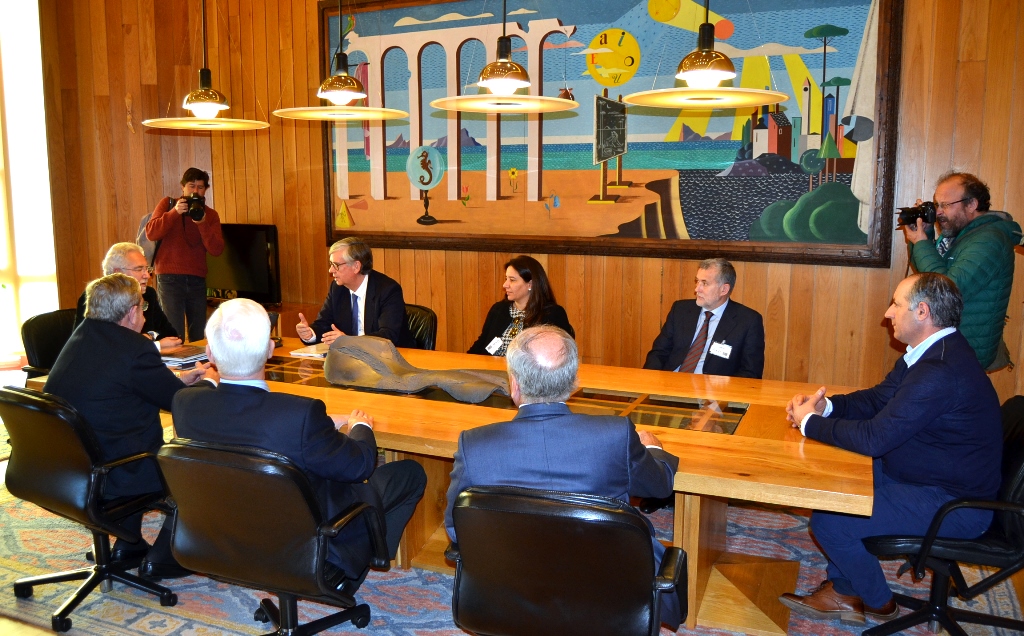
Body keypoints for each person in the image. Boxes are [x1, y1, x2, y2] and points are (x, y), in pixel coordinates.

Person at [779, 273, 1002, 625]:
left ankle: (878, 602)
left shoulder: (940, 371)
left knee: (830, 521)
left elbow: (874, 439)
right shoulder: (932, 353)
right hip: (923, 474)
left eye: (896, 304)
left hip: (954, 504)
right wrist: (827, 408)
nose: (887, 313)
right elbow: (879, 398)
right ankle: (843, 589)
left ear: (922, 311)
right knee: (836, 489)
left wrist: (809, 424)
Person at [176, 298, 426, 591]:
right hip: (308, 547)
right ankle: (349, 573)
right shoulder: (299, 414)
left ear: (209, 353)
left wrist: (322, 425)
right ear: (270, 350)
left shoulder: (186, 404)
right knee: (409, 473)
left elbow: (244, 419)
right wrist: (360, 425)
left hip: (227, 538)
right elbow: (359, 465)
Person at [445, 325, 682, 630]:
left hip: (513, 593)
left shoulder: (475, 446)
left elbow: (457, 530)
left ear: (514, 385)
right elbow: (660, 485)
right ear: (573, 383)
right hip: (608, 594)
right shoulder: (615, 435)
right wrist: (653, 450)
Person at [44, 274, 217, 579]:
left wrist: (177, 381)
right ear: (130, 313)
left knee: (128, 434)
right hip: (116, 470)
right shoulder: (134, 348)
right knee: (198, 463)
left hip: (68, 467)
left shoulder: (82, 336)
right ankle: (165, 557)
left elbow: (121, 385)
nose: (145, 312)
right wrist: (212, 383)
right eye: (142, 305)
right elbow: (180, 403)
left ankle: (128, 545)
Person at [903, 171, 1020, 370]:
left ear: (972, 204)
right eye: (937, 205)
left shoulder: (988, 240)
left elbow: (947, 289)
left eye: (946, 205)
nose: (939, 212)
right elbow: (932, 271)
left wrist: (922, 244)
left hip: (967, 350)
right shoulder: (965, 236)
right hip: (954, 344)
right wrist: (926, 235)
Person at [644, 257, 764, 378]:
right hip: (671, 384)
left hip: (715, 392)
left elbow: (750, 373)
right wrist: (651, 384)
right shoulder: (681, 310)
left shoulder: (748, 321)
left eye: (705, 283)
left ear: (724, 289)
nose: (697, 289)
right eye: (697, 281)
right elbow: (658, 353)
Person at [145, 167, 224, 343]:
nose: (195, 191)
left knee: (199, 336)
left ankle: (198, 368)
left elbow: (217, 249)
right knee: (173, 333)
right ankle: (174, 370)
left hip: (197, 280)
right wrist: (174, 213)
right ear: (183, 187)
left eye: (200, 187)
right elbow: (151, 232)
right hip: (169, 279)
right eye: (191, 186)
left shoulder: (210, 215)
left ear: (206, 190)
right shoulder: (168, 204)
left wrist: (202, 223)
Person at [296, 237, 414, 348]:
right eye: (331, 264)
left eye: (335, 265)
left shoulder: (387, 290)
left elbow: (388, 336)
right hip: (350, 360)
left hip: (390, 360)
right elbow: (324, 324)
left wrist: (349, 341)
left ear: (356, 266)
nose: (330, 270)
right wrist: (310, 334)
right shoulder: (337, 288)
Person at [73, 242, 181, 351]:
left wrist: (149, 336)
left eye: (147, 269)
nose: (147, 275)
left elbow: (171, 335)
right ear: (117, 273)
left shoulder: (148, 294)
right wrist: (154, 344)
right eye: (139, 269)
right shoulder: (96, 296)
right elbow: (100, 345)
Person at [467, 255, 575, 357]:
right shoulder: (499, 309)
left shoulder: (552, 314)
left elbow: (561, 355)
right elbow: (482, 344)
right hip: (491, 372)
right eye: (506, 279)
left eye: (512, 280)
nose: (505, 285)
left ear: (530, 284)